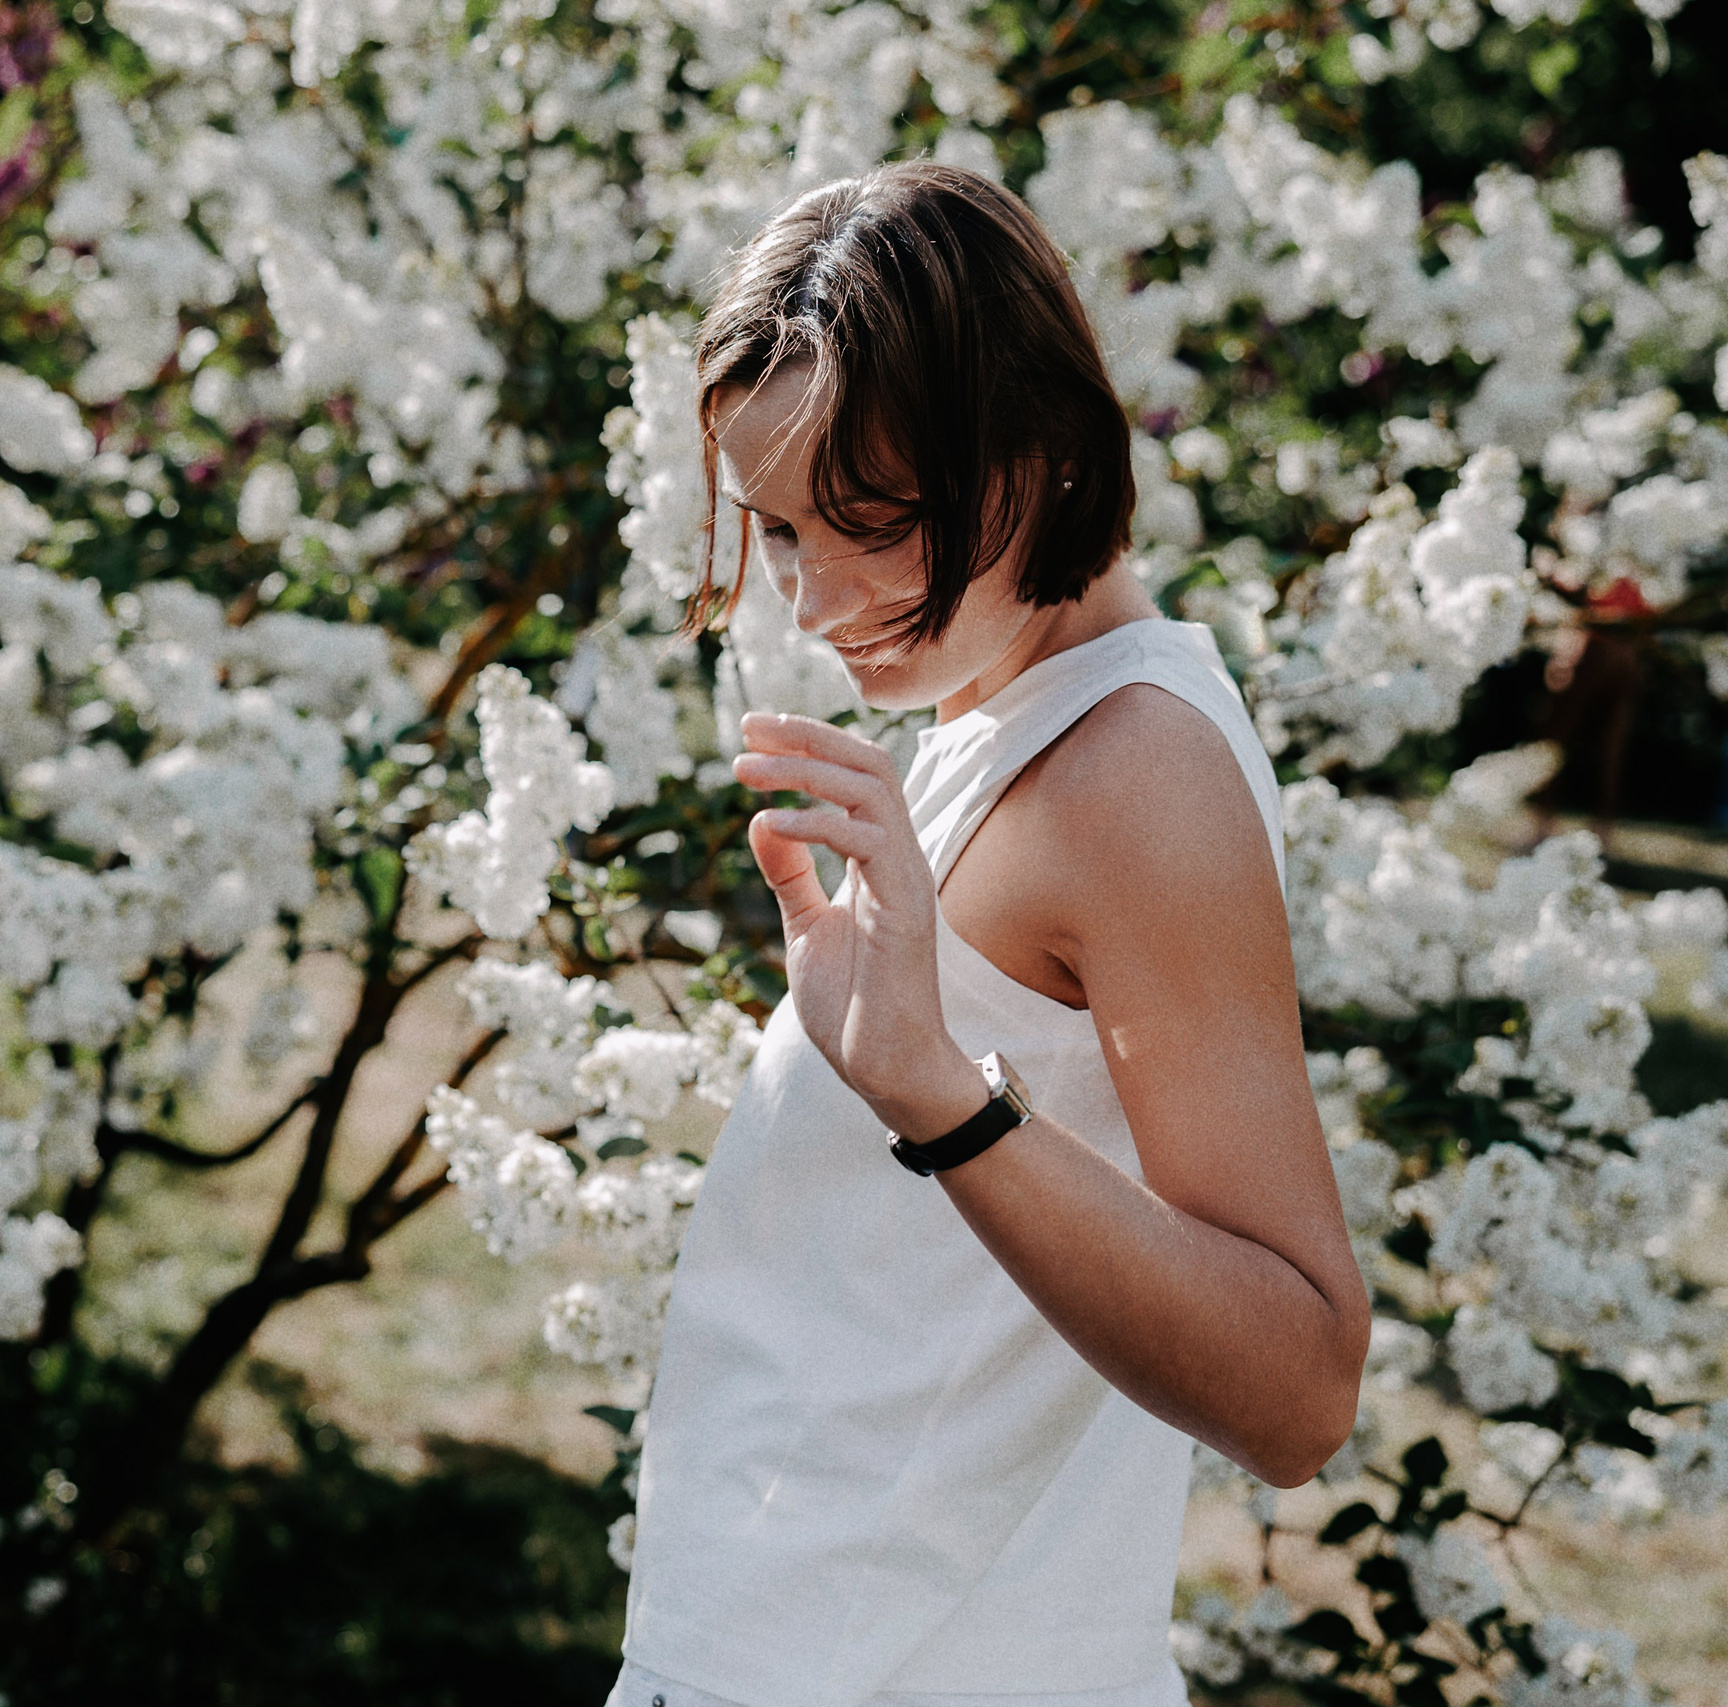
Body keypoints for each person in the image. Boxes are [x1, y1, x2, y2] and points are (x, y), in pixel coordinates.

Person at [605, 163, 1369, 1707]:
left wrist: (936, 1096)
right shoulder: (997, 711)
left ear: (1033, 453)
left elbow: (1298, 1389)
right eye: (778, 531)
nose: (814, 603)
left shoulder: (1132, 774)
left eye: (866, 522)